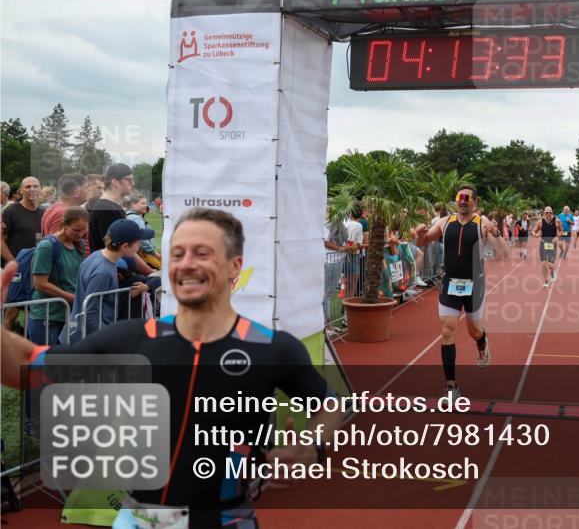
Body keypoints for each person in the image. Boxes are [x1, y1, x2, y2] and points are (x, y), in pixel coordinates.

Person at [2, 207, 341, 528]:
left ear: (235, 266)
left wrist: (310, 446)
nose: (186, 264)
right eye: (177, 254)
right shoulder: (130, 339)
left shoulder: (272, 348)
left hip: (224, 518)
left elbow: (329, 405)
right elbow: (27, 367)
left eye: (202, 253)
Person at [415, 185, 504, 399]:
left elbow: (501, 252)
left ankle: (482, 342)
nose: (462, 201)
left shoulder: (482, 224)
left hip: (475, 285)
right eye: (459, 197)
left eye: (467, 198)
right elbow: (423, 242)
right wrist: (419, 235)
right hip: (450, 284)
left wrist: (496, 232)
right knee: (448, 329)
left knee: (473, 330)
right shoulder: (444, 223)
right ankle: (451, 386)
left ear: (475, 202)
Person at [64, 218, 153, 342]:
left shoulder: (96, 255)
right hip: (88, 340)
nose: (140, 245)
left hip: (79, 333)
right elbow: (90, 313)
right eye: (138, 242)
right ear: (125, 246)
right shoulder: (103, 273)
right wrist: (105, 342)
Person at [28, 207, 88, 345]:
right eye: (76, 230)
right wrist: (70, 297)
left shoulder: (80, 244)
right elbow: (40, 284)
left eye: (84, 230)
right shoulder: (47, 246)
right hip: (47, 317)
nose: (81, 234)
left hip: (69, 315)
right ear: (65, 225)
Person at [2, 176, 43, 329]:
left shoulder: (43, 212)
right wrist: (14, 262)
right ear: (20, 190)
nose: (32, 189)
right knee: (12, 311)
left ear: (40, 189)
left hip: (38, 269)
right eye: (27, 186)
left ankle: (27, 343)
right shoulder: (11, 211)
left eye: (35, 186)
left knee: (35, 309)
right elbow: (1, 240)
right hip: (17, 270)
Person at [88, 163, 135, 252]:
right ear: (115, 181)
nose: (133, 183)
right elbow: (118, 251)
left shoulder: (110, 206)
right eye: (130, 180)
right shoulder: (108, 210)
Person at [126, 194, 161, 270]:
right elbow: (143, 240)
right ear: (133, 204)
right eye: (143, 203)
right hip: (144, 255)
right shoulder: (136, 218)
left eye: (146, 203)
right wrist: (154, 253)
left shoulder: (127, 215)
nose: (146, 206)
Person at [533, 206, 563, 287]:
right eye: (547, 212)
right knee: (543, 264)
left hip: (552, 244)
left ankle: (552, 273)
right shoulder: (540, 222)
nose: (549, 214)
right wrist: (535, 234)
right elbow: (534, 231)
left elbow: (561, 231)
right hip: (543, 244)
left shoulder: (557, 221)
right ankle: (546, 281)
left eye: (550, 212)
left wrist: (557, 237)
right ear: (544, 213)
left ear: (552, 213)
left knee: (550, 265)